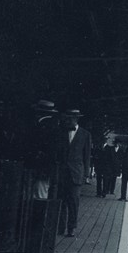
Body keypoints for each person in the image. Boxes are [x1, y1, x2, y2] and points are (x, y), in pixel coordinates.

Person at [57, 109, 91, 238]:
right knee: (61, 201)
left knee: (74, 202)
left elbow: (87, 156)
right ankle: (60, 227)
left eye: (70, 118)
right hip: (62, 173)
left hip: (76, 173)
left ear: (76, 119)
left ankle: (71, 228)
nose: (67, 121)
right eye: (67, 118)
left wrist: (86, 175)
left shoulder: (85, 134)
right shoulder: (61, 132)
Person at [29, 100, 60, 199]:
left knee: (39, 194)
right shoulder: (50, 124)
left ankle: (38, 214)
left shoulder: (46, 125)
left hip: (42, 167)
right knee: (39, 193)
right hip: (43, 167)